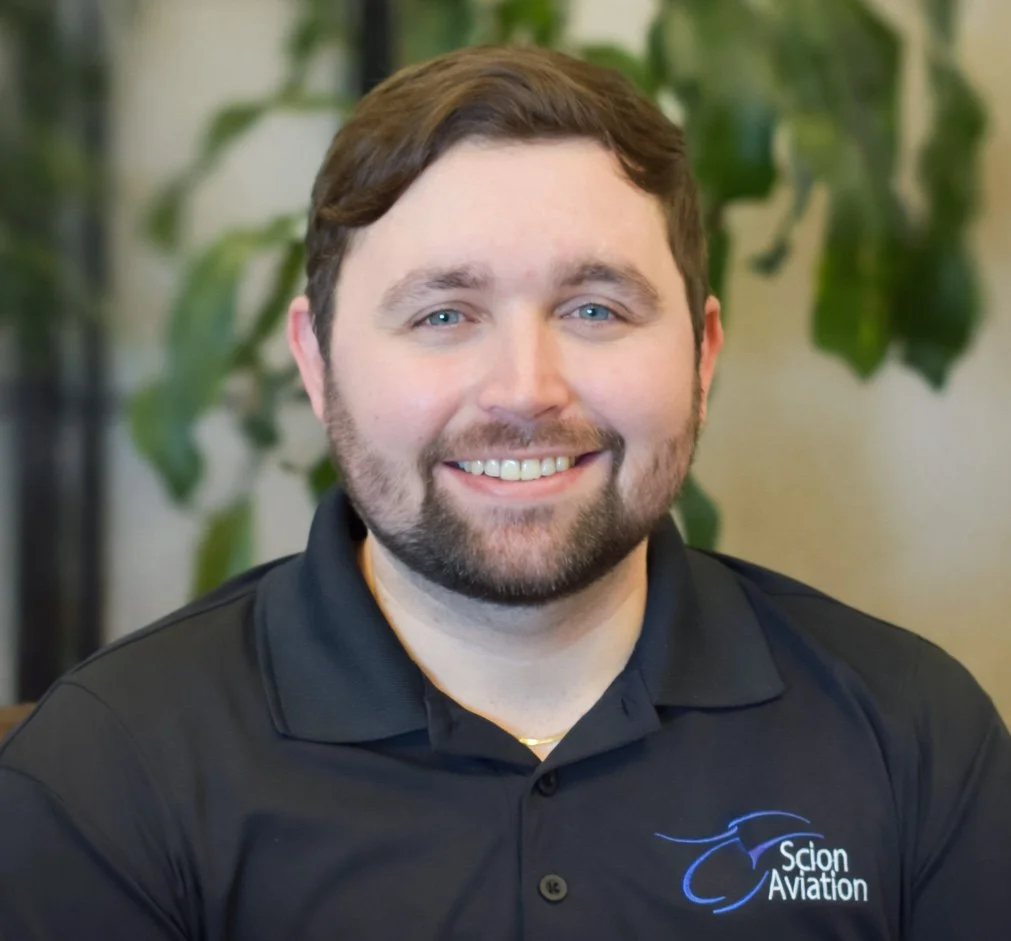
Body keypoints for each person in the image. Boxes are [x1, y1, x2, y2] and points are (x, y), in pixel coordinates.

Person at [0, 44, 1008, 941]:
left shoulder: (915, 736)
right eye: (443, 314)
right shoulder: (108, 769)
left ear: (701, 355)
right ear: (316, 361)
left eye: (595, 307)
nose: (526, 389)